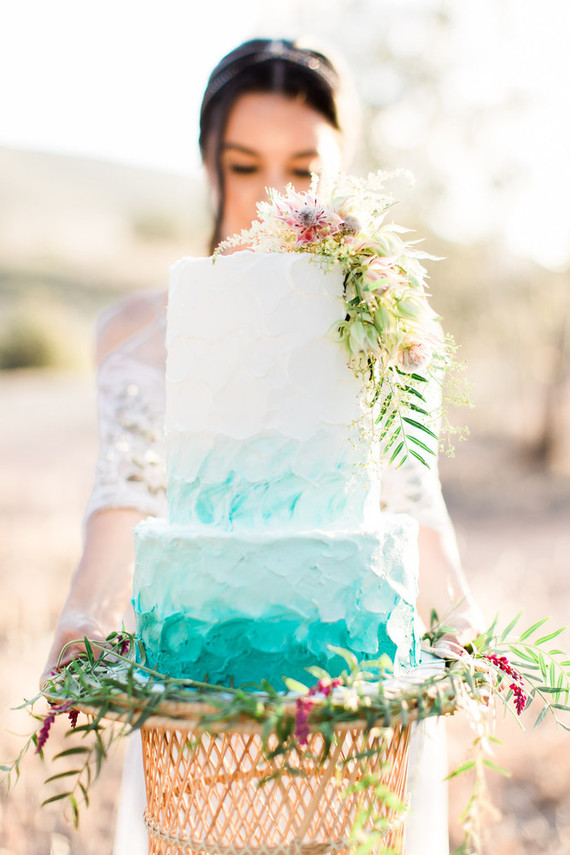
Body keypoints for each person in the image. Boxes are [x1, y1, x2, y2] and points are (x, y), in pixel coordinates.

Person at [41, 38, 482, 855]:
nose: (276, 196)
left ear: (343, 175)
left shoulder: (382, 328)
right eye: (245, 165)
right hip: (200, 709)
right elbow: (124, 496)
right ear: (210, 167)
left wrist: (463, 625)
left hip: (352, 701)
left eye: (305, 170)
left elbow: (413, 500)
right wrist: (82, 613)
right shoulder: (141, 335)